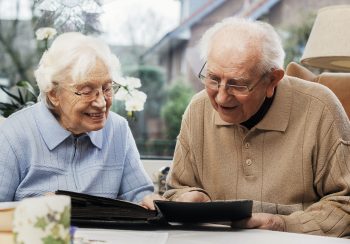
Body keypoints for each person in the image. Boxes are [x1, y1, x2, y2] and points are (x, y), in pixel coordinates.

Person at [164, 17, 350, 237]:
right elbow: (175, 191)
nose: (221, 97)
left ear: (272, 80)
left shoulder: (321, 108)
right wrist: (187, 198)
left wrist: (283, 225)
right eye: (213, 78)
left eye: (238, 84)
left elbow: (345, 205)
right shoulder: (198, 109)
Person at [0, 32, 161, 209]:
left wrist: (151, 202)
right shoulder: (13, 134)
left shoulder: (118, 129)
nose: (101, 103)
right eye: (86, 91)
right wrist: (36, 210)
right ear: (54, 93)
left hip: (106, 237)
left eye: (107, 88)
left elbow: (140, 196)